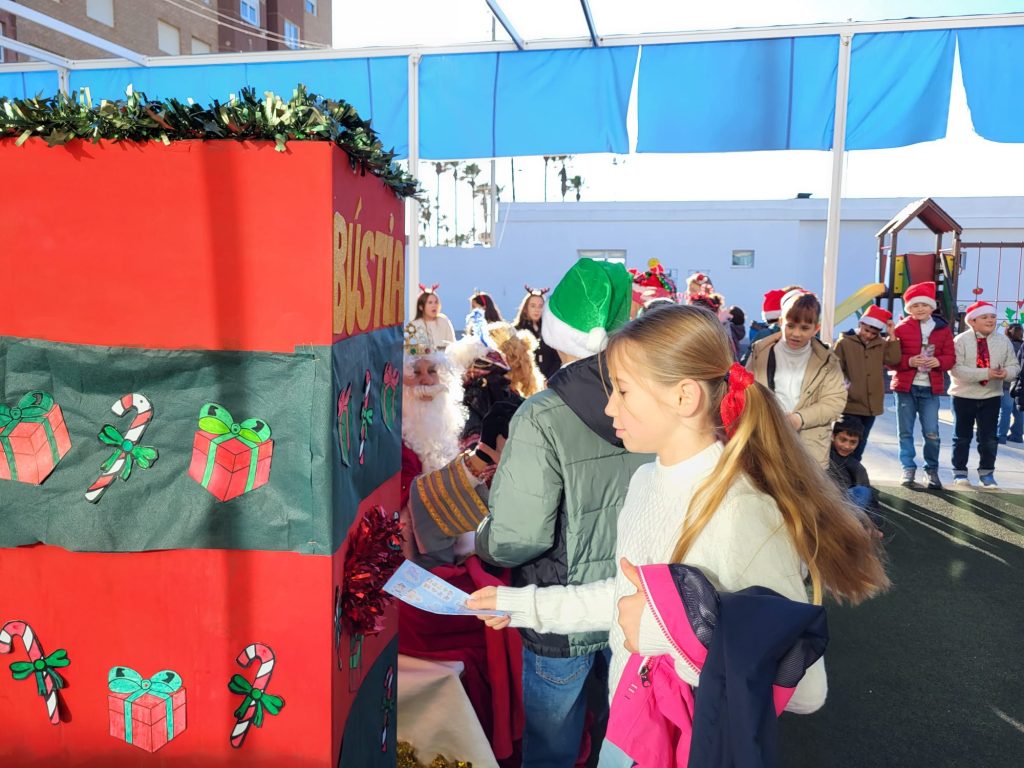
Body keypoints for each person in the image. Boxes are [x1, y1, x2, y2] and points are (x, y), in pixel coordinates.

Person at [469, 304, 888, 768]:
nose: (609, 407)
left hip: (689, 746)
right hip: (631, 728)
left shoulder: (741, 509)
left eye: (623, 391)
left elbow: (803, 685)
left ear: (685, 397)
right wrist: (522, 605)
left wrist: (665, 634)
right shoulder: (645, 479)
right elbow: (627, 600)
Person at [475, 257, 649, 768]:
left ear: (553, 330)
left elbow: (517, 536)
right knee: (631, 742)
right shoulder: (657, 399)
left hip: (558, 609)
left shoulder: (542, 413)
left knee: (552, 749)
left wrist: (481, 539)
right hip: (640, 604)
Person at [746, 288, 847, 468]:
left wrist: (799, 418)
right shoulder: (760, 352)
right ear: (781, 322)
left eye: (805, 328)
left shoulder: (828, 361)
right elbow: (746, 390)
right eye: (791, 326)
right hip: (765, 443)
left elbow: (835, 401)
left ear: (816, 328)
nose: (796, 333)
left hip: (808, 450)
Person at [889, 282, 955, 490]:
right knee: (905, 432)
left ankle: (931, 469)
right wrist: (909, 361)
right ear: (908, 308)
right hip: (905, 389)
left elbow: (951, 358)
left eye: (924, 305)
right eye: (915, 305)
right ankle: (908, 467)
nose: (920, 309)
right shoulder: (901, 328)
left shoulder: (943, 329)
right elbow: (890, 360)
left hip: (930, 389)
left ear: (932, 306)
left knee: (932, 433)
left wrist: (939, 362)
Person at [949, 301, 1021, 488]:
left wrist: (1007, 373)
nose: (990, 320)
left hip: (991, 397)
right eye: (985, 317)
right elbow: (956, 370)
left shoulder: (1003, 341)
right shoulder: (960, 340)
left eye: (993, 316)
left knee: (989, 438)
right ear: (972, 321)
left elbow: (1015, 366)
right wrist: (986, 373)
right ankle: (960, 472)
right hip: (963, 397)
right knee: (962, 437)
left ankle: (987, 473)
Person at [832, 305, 901, 460]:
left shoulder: (881, 344)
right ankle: (838, 469)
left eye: (874, 333)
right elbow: (836, 369)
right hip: (850, 403)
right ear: (860, 324)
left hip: (871, 405)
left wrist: (892, 335)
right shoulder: (845, 343)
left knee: (860, 442)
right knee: (843, 440)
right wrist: (848, 388)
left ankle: (854, 469)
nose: (869, 335)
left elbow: (893, 359)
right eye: (866, 330)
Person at [828, 420, 883, 530]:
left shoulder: (857, 468)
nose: (847, 446)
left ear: (858, 443)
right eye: (843, 440)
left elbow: (869, 499)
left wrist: (875, 525)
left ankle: (849, 526)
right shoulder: (822, 455)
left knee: (863, 491)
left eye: (853, 442)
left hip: (843, 506)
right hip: (824, 499)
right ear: (833, 437)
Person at [515, 285, 561, 382]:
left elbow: (557, 358)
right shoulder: (517, 331)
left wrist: (549, 379)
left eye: (540, 306)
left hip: (548, 381)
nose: (537, 309)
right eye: (533, 306)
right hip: (526, 382)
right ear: (526, 308)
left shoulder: (550, 330)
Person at [409, 283, 456, 350]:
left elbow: (452, 345)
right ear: (421, 307)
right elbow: (410, 350)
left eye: (436, 302)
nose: (434, 305)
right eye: (430, 302)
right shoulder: (413, 326)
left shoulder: (443, 321)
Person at [999, 323, 1024, 444]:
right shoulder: (1022, 346)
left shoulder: (1006, 345)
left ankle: (1001, 435)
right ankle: (1017, 435)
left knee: (1006, 410)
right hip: (1021, 382)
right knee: (1019, 410)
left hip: (1007, 382)